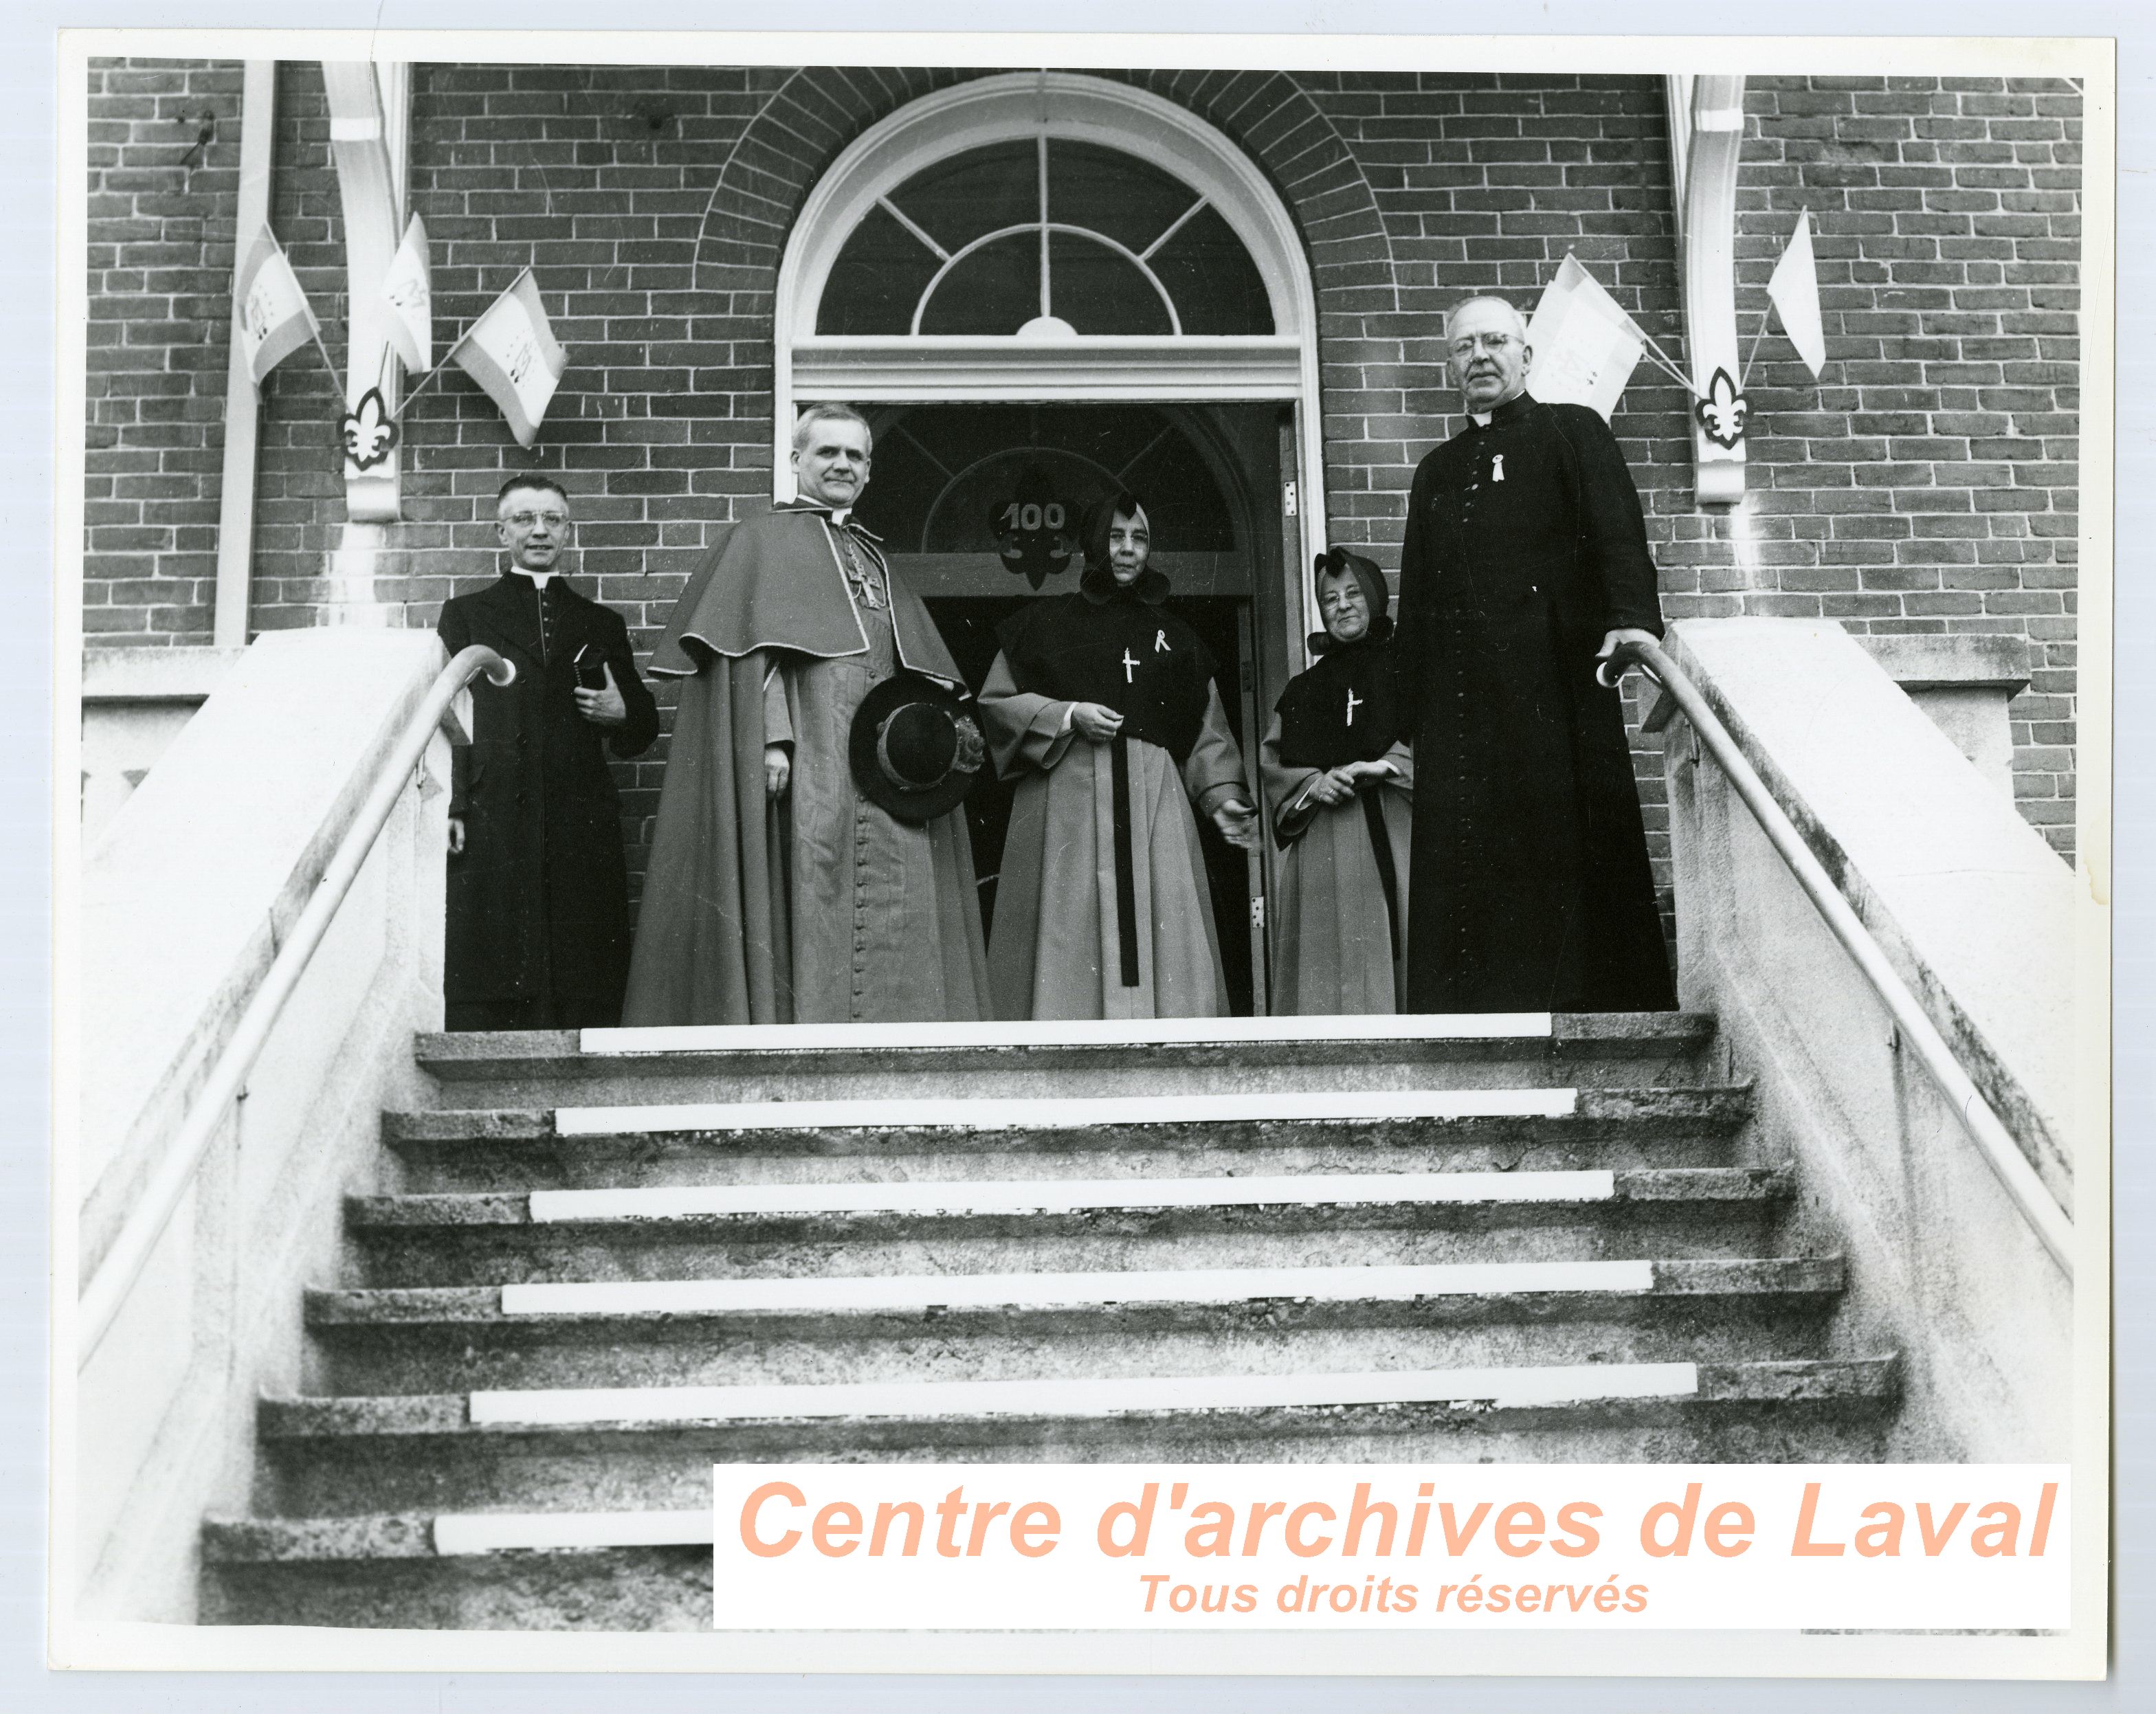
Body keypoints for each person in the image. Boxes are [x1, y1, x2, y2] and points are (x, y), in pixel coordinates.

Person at [621, 403, 990, 1025]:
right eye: (827, 452)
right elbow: (752, 656)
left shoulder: (875, 559)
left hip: (880, 765)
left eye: (854, 456)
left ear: (869, 472)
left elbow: (915, 669)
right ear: (796, 462)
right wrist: (771, 739)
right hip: (811, 744)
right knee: (810, 879)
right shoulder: (760, 539)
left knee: (895, 886)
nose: (842, 465)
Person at [1394, 294, 1678, 1014]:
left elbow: (1617, 535)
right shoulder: (1435, 470)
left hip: (1554, 691)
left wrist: (1630, 621)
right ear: (1447, 367)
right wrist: (1404, 705)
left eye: (1494, 342)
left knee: (1562, 855)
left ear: (1525, 354)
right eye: (1463, 347)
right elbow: (1418, 600)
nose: (1479, 357)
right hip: (1463, 714)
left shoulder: (1571, 433)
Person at [978, 491, 1260, 1020]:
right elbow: (997, 705)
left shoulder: (1175, 636)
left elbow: (1207, 730)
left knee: (1164, 929)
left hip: (1155, 801)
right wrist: (1066, 715)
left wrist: (1221, 796)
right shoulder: (1042, 624)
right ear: (1092, 542)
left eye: (1140, 538)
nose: (1128, 550)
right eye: (1115, 536)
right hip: (1068, 798)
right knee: (1068, 930)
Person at [438, 474, 659, 1032]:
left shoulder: (599, 622)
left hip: (576, 806)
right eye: (523, 519)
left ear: (569, 530)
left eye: (553, 519)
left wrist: (621, 712)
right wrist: (455, 804)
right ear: (500, 531)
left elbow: (641, 727)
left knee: (582, 947)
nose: (539, 531)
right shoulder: (466, 614)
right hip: (496, 805)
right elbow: (447, 717)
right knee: (494, 941)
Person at [1260, 548, 1414, 1015]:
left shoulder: (1409, 669)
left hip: (1397, 829)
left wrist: (1386, 766)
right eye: (1329, 599)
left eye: (1352, 594)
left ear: (1374, 598)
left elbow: (1445, 741)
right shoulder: (1302, 689)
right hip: (1326, 843)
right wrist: (1312, 785)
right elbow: (1274, 761)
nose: (1342, 605)